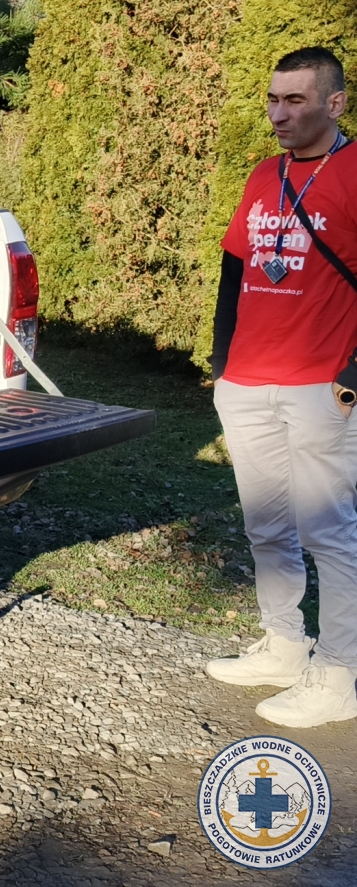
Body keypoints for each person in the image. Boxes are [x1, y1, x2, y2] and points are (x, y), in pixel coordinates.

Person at [204, 46, 357, 729]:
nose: (278, 113)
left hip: (320, 385)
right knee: (266, 525)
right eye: (273, 99)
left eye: (295, 100)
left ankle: (338, 675)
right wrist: (221, 365)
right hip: (247, 381)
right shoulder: (265, 174)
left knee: (330, 533)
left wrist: (352, 378)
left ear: (335, 103)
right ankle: (285, 646)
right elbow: (234, 270)